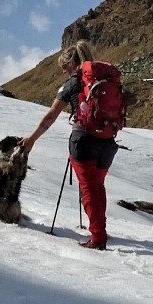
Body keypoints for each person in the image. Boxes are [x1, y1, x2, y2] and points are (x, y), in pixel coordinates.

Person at [22, 40, 117, 250]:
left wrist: (31, 140)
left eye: (65, 67)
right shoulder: (103, 78)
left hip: (83, 141)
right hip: (107, 142)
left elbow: (50, 118)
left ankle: (98, 237)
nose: (64, 72)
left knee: (89, 189)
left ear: (73, 64)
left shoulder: (73, 83)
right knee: (97, 186)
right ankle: (99, 228)